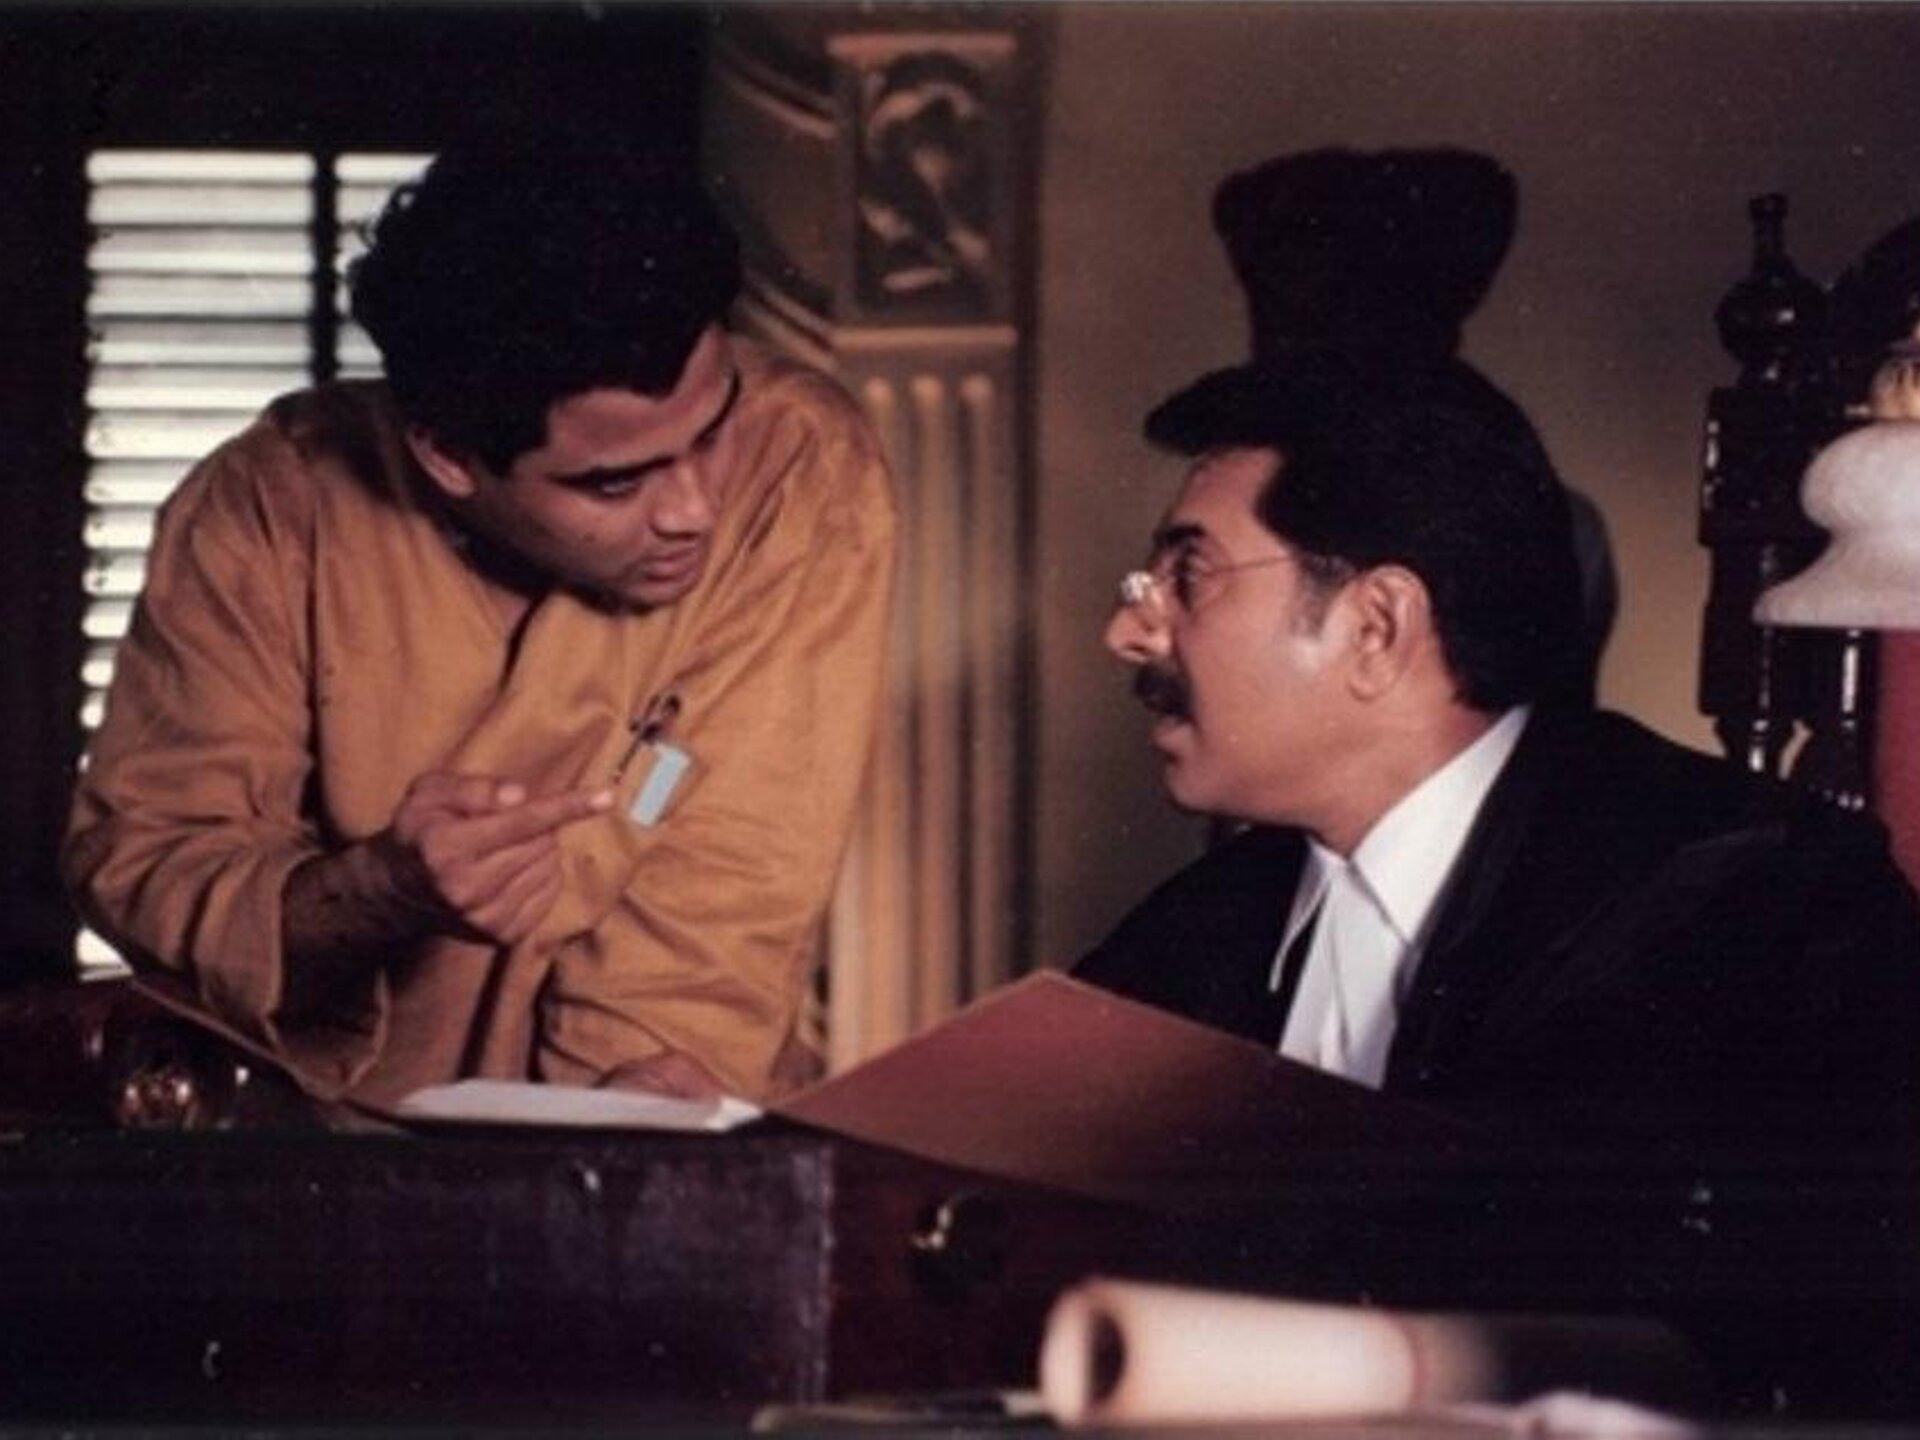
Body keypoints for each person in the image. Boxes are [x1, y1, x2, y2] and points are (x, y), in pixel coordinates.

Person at [63, 141, 897, 1110]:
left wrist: (629, 1117)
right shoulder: (269, 509)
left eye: (712, 434)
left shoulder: (799, 469)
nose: (695, 510)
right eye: (614, 483)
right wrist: (380, 889)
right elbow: (149, 861)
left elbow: (731, 878)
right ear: (449, 458)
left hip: (659, 1116)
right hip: (321, 1146)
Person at [1075, 351, 1920, 1156]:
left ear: (1377, 627)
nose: (1125, 633)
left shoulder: (1761, 906)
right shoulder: (1186, 936)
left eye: (1188, 577)